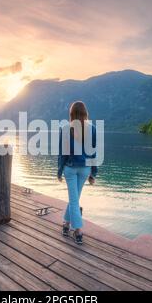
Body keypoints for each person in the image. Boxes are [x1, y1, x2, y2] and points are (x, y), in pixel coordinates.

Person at [57, 101, 97, 245]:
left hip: (71, 168)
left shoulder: (66, 129)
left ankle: (78, 231)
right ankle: (66, 224)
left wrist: (59, 171)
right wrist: (93, 173)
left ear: (71, 114)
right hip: (85, 169)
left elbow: (62, 154)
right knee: (74, 199)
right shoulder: (92, 129)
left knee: (74, 200)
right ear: (85, 113)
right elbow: (94, 153)